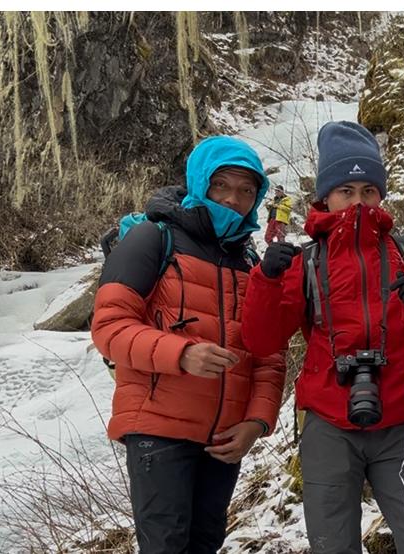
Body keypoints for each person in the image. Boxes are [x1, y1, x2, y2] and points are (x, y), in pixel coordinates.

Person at [241, 121, 404, 554]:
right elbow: (262, 340)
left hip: (399, 420)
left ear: (380, 194)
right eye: (346, 190)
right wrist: (265, 279)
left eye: (368, 190)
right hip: (327, 424)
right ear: (326, 196)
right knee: (332, 546)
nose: (358, 201)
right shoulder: (305, 263)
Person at [91, 135, 287, 553]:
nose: (234, 199)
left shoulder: (249, 262)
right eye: (222, 185)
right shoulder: (151, 238)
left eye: (246, 190)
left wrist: (256, 423)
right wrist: (181, 353)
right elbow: (108, 327)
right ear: (200, 184)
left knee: (205, 543)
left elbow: (268, 354)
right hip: (158, 428)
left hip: (224, 439)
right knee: (166, 545)